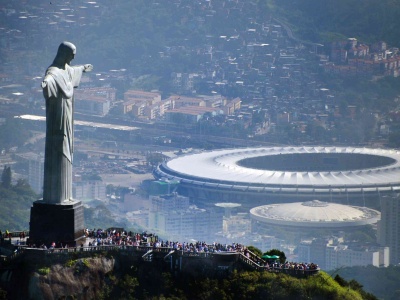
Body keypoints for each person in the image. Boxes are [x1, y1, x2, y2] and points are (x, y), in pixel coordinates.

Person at [41, 41, 93, 204]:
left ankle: (65, 196)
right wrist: (47, 83)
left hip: (68, 116)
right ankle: (56, 197)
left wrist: (83, 68)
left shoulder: (66, 70)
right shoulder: (54, 72)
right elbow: (49, 78)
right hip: (58, 117)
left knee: (68, 150)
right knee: (59, 149)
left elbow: (72, 71)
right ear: (63, 54)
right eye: (71, 55)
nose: (73, 58)